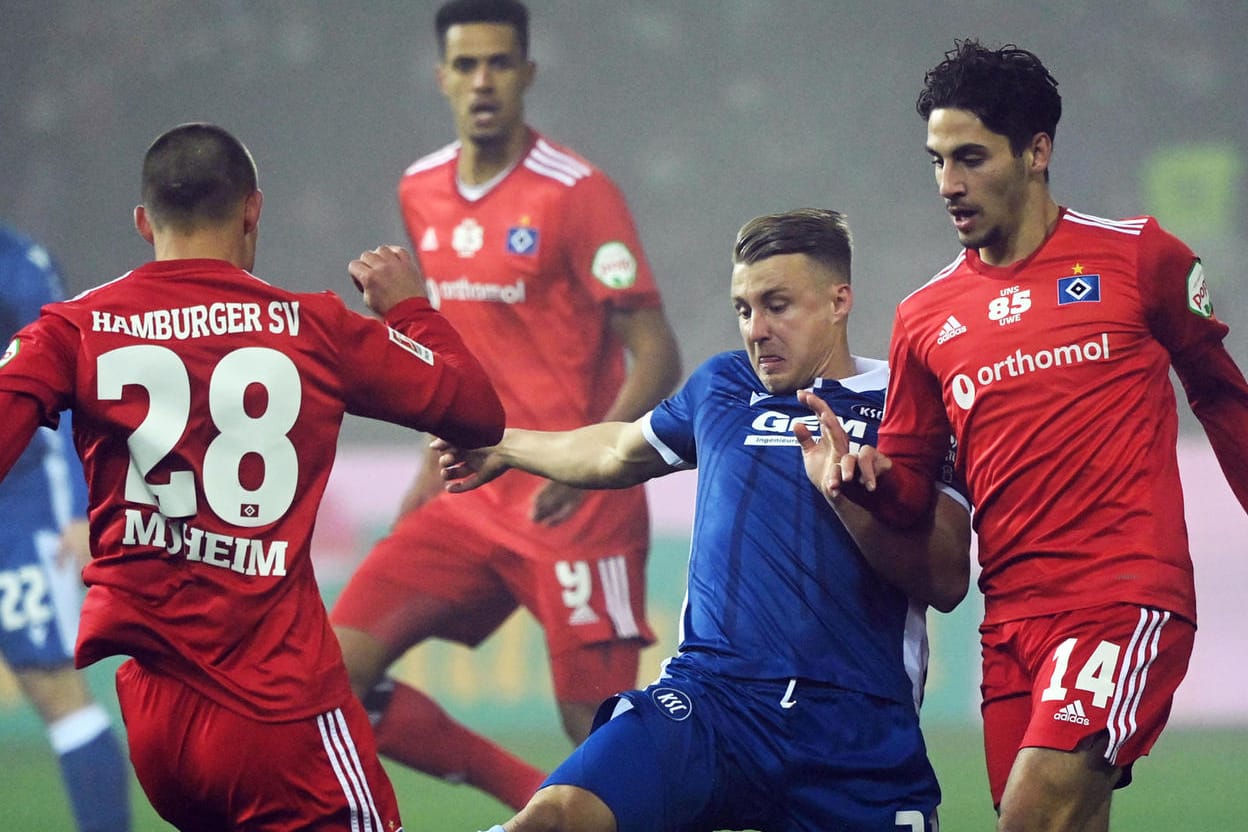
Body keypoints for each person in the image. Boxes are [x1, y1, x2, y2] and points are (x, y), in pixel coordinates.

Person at [0, 122, 506, 831]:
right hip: (280, 715)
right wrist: (411, 309)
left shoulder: (74, 329)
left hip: (158, 730)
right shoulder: (312, 328)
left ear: (144, 224)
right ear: (252, 210)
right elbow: (477, 411)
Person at [808, 40, 1248, 832]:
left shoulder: (1138, 258)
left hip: (1122, 597)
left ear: (1036, 151)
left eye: (971, 158)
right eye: (937, 160)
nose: (948, 184)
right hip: (1009, 623)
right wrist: (868, 481)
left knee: (1032, 816)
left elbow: (1221, 395)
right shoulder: (925, 316)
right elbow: (914, 488)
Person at [437, 208, 972, 832]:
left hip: (853, 727)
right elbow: (615, 450)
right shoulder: (722, 386)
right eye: (744, 309)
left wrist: (847, 495)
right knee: (553, 818)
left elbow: (948, 579)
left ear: (838, 300)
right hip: (714, 699)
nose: (757, 330)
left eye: (777, 305)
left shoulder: (910, 404)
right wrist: (504, 445)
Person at [330, 0, 682, 810]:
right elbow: (451, 341)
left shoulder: (576, 193)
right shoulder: (420, 189)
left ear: (526, 74)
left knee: (600, 738)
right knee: (326, 675)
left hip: (575, 503)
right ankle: (526, 796)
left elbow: (657, 349)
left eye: (498, 64)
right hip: (471, 493)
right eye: (466, 65)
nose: (482, 81)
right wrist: (429, 454)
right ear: (442, 77)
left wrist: (597, 460)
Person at [0, 224, 132, 832]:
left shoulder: (19, 266)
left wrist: (81, 506)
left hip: (19, 501)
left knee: (50, 685)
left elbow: (73, 374)